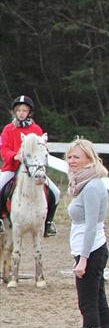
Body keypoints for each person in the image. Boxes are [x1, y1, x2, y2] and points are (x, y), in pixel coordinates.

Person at [62, 139, 109, 328]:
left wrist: (83, 260)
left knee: (88, 303)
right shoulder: (84, 183)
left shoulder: (92, 186)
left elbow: (92, 225)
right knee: (98, 300)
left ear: (89, 159)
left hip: (91, 250)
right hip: (89, 248)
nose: (72, 161)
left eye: (77, 157)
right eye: (70, 157)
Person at [0, 95, 61, 236]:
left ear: (29, 112)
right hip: (12, 167)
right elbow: (3, 148)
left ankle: (48, 223)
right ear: (15, 112)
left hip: (33, 170)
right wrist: (14, 156)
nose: (21, 113)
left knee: (56, 192)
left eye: (24, 110)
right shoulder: (8, 129)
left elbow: (41, 149)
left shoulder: (36, 129)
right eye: (18, 110)